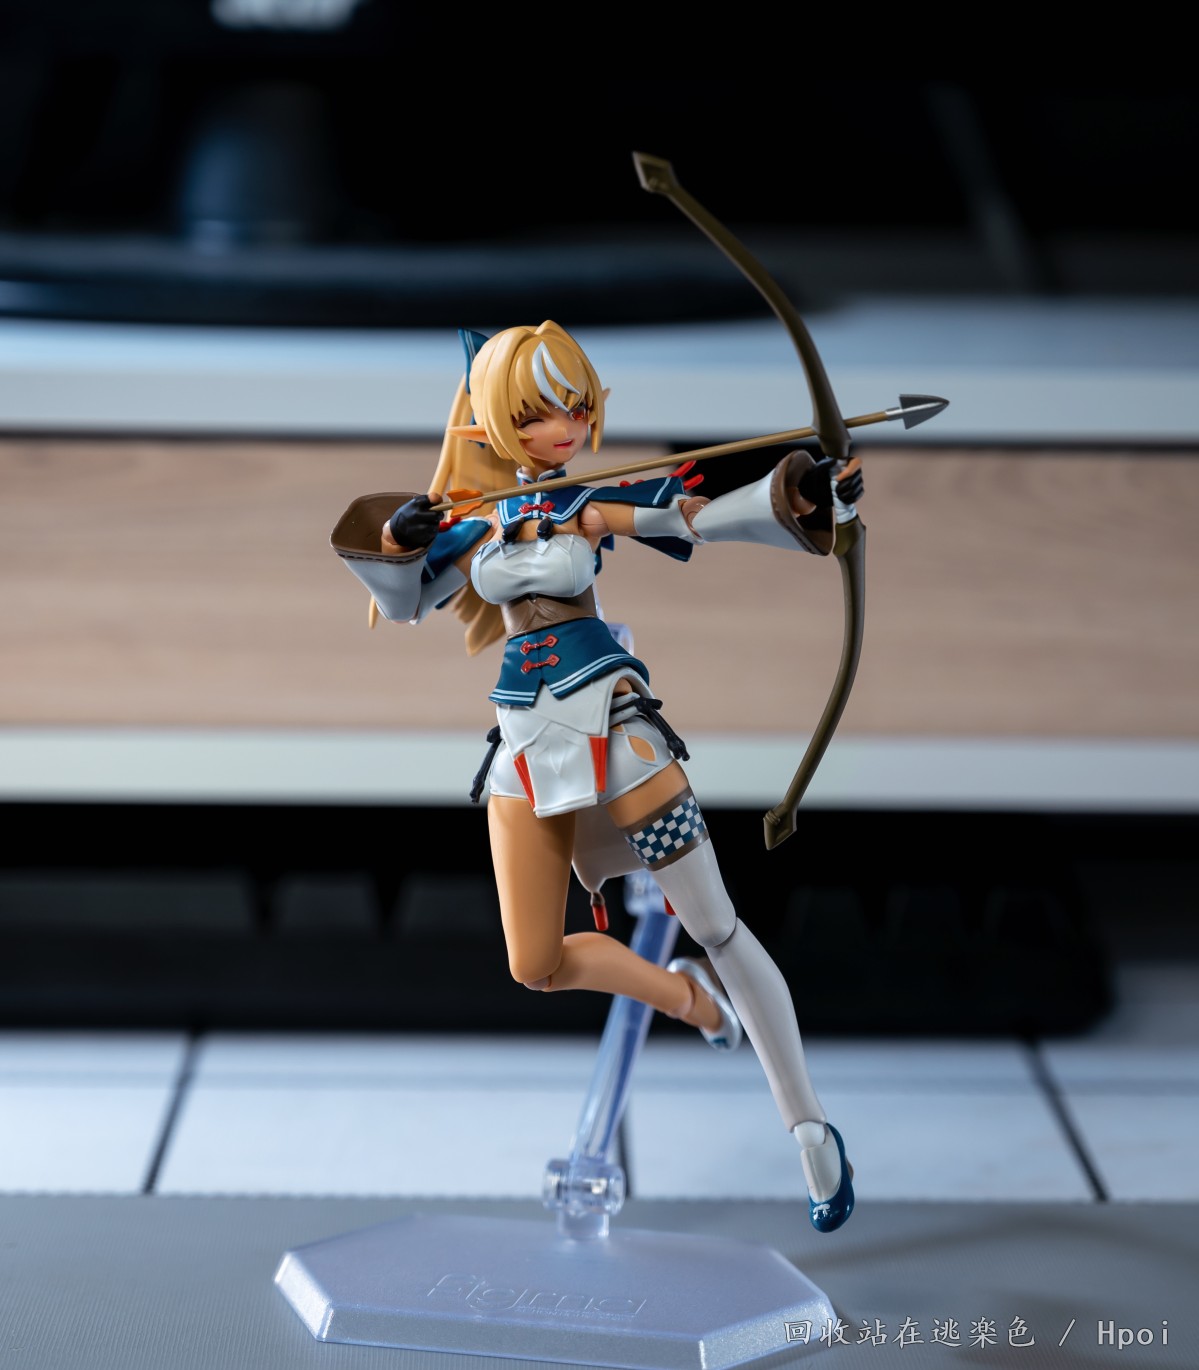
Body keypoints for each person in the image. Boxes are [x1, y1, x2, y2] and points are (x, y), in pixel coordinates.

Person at [345, 320, 861, 1232]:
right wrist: (399, 537)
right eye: (538, 414)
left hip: (618, 737)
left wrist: (810, 497)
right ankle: (688, 1001)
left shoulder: (588, 505)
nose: (565, 429)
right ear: (494, 421)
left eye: (576, 410)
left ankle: (809, 1129)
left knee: (715, 923)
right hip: (524, 751)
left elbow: (698, 515)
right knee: (535, 963)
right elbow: (406, 601)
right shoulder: (474, 524)